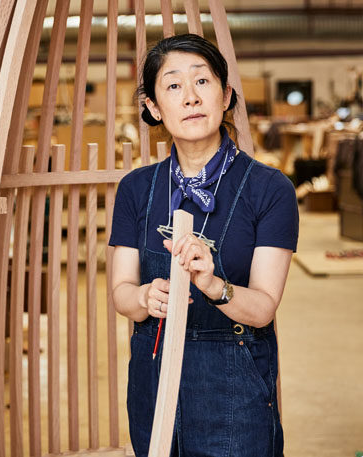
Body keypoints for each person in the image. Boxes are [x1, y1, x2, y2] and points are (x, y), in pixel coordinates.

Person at [109, 34, 298, 456]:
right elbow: (121, 291)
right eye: (173, 86)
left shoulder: (270, 189)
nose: (190, 97)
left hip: (234, 380)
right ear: (154, 108)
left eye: (203, 82)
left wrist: (215, 286)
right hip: (154, 376)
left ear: (225, 94)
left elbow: (264, 306)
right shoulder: (137, 189)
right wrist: (142, 296)